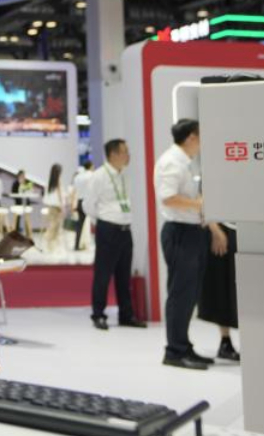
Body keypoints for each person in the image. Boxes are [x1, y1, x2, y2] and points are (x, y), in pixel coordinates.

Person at [153, 118, 227, 370]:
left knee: (190, 293)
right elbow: (168, 198)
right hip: (180, 233)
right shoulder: (171, 162)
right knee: (180, 293)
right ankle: (174, 351)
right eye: (201, 135)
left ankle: (183, 346)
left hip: (192, 231)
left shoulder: (185, 162)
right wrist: (200, 203)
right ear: (191, 137)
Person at [83, 139, 145, 330]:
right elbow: (88, 205)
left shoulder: (124, 175)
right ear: (112, 154)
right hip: (108, 229)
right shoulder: (99, 176)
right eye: (124, 151)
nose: (128, 155)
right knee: (103, 274)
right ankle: (98, 314)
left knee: (124, 275)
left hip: (125, 229)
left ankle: (126, 315)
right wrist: (103, 221)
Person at [197, 222, 240, 361]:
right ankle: (225, 340)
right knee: (223, 286)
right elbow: (205, 210)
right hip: (223, 229)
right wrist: (215, 230)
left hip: (243, 227)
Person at [40, 163, 66, 252]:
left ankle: (50, 246)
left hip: (50, 206)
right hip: (57, 207)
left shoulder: (48, 181)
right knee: (55, 227)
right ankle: (50, 245)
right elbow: (60, 195)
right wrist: (62, 207)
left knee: (52, 225)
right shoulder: (58, 181)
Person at [71, 161, 93, 250]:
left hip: (79, 201)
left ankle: (77, 245)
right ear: (90, 166)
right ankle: (88, 244)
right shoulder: (91, 175)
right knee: (95, 223)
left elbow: (74, 191)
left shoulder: (78, 177)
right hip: (89, 201)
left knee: (79, 225)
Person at [10, 170, 34, 235]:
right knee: (17, 217)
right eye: (21, 175)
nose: (22, 176)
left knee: (27, 217)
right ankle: (16, 231)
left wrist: (26, 187)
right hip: (18, 203)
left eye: (23, 175)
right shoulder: (15, 183)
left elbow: (31, 191)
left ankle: (28, 231)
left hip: (26, 203)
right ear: (18, 175)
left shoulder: (28, 182)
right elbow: (13, 193)